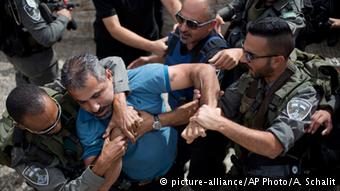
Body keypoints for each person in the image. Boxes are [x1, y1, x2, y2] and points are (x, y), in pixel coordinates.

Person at [184, 17, 320, 184]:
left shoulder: (303, 94)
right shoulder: (253, 76)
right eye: (244, 51)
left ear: (277, 60)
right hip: (245, 166)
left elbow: (273, 146)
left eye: (251, 55)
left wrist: (218, 122)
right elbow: (223, 107)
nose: (244, 59)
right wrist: (204, 109)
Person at [60, 53, 220, 190]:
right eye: (82, 102)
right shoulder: (86, 122)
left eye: (97, 95)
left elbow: (204, 70)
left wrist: (208, 112)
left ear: (109, 76)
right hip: (137, 185)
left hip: (174, 167)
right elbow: (101, 183)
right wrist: (118, 135)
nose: (94, 108)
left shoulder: (141, 79)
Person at [127, 0, 242, 187]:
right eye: (181, 18)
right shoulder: (180, 35)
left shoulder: (215, 52)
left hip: (204, 127)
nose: (183, 27)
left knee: (202, 177)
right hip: (177, 118)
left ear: (212, 25)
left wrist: (157, 120)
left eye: (192, 24)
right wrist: (148, 60)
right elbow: (171, 57)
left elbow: (205, 101)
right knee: (170, 168)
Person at [3, 85, 125, 191]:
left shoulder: (61, 91)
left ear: (50, 97)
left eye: (58, 116)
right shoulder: (24, 156)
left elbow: (111, 65)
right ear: (22, 126)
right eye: (47, 128)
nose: (58, 127)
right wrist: (102, 163)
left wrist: (120, 104)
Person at [0, 0, 72, 86]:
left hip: (15, 53)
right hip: (38, 62)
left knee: (25, 95)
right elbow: (47, 37)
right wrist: (64, 17)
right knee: (49, 96)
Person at [91, 0, 181, 65]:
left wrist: (182, 23)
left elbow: (172, 3)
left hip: (147, 39)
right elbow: (114, 28)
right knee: (114, 86)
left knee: (146, 86)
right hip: (113, 47)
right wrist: (152, 46)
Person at [217, 0, 305, 48]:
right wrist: (216, 16)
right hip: (237, 37)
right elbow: (236, 6)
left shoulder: (291, 8)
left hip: (258, 57)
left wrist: (245, 48)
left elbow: (283, 34)